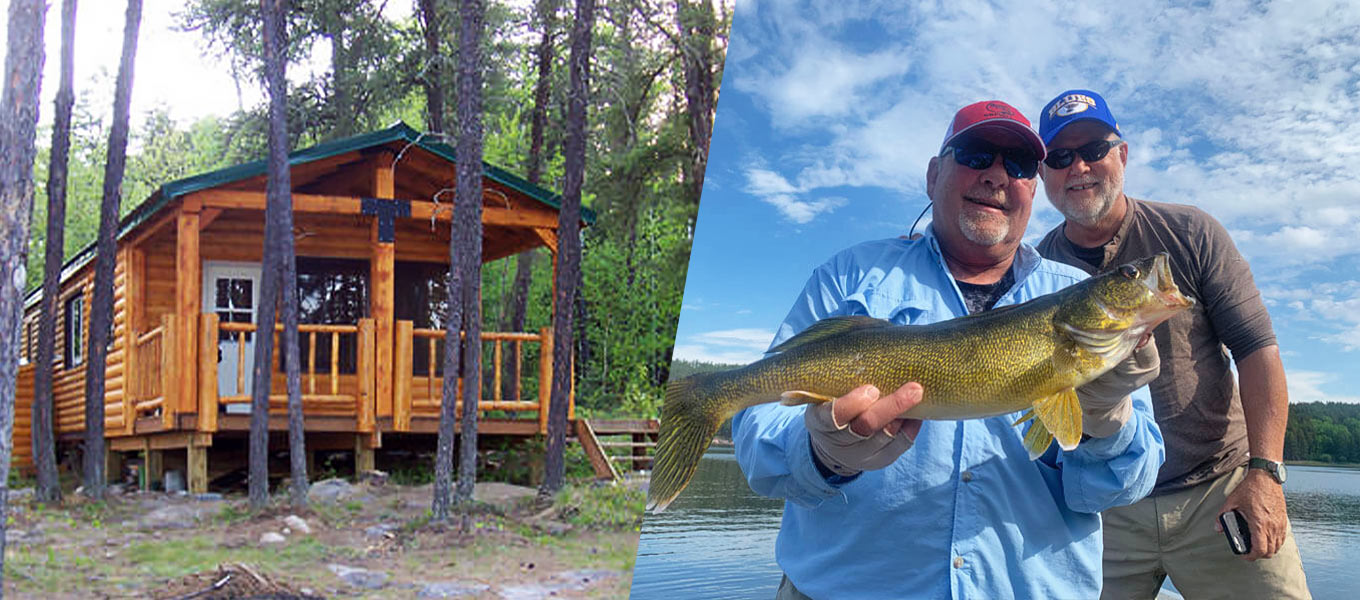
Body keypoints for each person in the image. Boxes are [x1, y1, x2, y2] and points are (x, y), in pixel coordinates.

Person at [731, 99, 1166, 600]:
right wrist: (823, 454)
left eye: (1020, 164)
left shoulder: (1076, 294)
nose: (997, 176)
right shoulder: (849, 277)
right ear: (934, 174)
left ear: (1033, 186)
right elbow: (758, 432)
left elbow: (1117, 489)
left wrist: (1106, 422)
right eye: (978, 154)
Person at [1034, 89, 1312, 599]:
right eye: (1059, 156)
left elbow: (1257, 349)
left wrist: (1266, 474)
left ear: (1122, 154)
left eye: (1094, 148)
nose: (1079, 167)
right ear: (1043, 174)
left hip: (1220, 491)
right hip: (1100, 503)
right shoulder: (1034, 273)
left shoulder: (1190, 232)